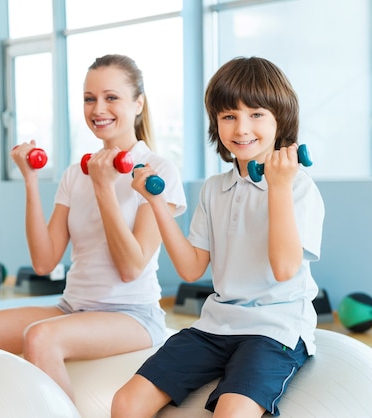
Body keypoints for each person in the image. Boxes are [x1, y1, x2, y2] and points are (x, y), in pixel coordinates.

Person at [112, 56, 325, 418]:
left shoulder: (298, 188)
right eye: (229, 116)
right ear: (217, 123)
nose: (242, 128)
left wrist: (278, 188)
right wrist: (156, 203)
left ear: (281, 120)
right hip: (216, 324)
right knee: (126, 403)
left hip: (276, 329)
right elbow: (191, 269)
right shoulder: (215, 189)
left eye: (256, 114)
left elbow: (285, 267)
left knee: (231, 413)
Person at [0, 54, 187, 401]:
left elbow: (132, 268)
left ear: (138, 104)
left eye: (111, 97)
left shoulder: (157, 170)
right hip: (71, 307)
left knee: (40, 337)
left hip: (133, 315)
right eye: (90, 99)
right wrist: (30, 181)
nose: (98, 108)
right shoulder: (76, 174)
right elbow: (44, 262)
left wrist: (105, 188)